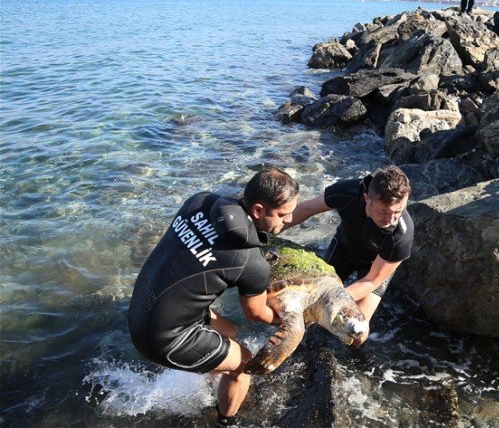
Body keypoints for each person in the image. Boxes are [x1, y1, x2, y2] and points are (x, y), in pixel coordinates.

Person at [127, 167, 299, 427]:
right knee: (245, 363)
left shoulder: (198, 201)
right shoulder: (250, 261)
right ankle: (225, 421)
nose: (289, 220)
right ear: (258, 210)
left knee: (229, 330)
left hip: (141, 309)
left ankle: (212, 376)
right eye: (283, 214)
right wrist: (296, 320)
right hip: (163, 339)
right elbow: (257, 313)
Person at [282, 166, 414, 325]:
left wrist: (331, 300)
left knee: (357, 328)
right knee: (309, 314)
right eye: (384, 212)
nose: (391, 219)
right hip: (343, 250)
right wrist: (268, 228)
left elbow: (371, 281)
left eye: (398, 211)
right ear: (367, 199)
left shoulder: (401, 235)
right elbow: (306, 209)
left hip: (375, 265)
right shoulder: (347, 192)